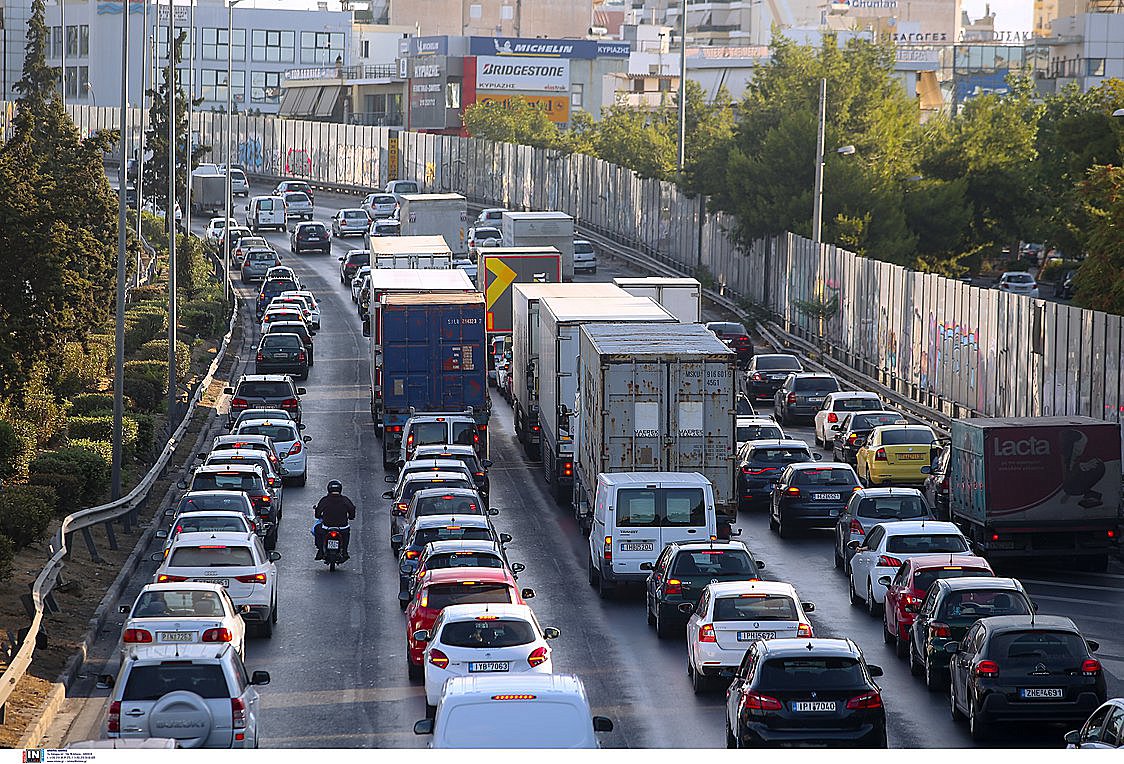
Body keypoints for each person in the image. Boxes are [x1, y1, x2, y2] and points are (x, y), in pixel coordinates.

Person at [314, 479, 356, 561]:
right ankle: (345, 551)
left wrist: (319, 515)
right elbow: (352, 509)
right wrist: (351, 517)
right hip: (342, 527)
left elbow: (317, 514)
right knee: (346, 535)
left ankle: (320, 551)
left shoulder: (325, 500)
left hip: (327, 527)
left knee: (317, 529)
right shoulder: (345, 500)